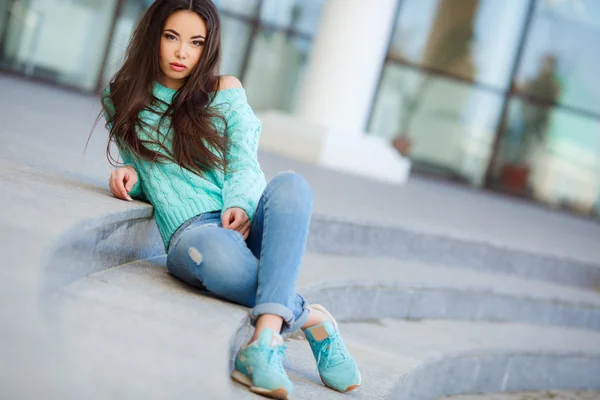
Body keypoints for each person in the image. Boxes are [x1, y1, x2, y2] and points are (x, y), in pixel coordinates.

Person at [100, 1, 360, 399]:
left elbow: (244, 162)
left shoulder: (224, 90)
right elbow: (146, 170)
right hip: (194, 234)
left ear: (209, 48)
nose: (182, 52)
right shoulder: (121, 96)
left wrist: (238, 203)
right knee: (217, 254)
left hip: (243, 217)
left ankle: (262, 344)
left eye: (195, 42)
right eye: (171, 37)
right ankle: (312, 319)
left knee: (293, 185)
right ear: (152, 36)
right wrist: (130, 178)